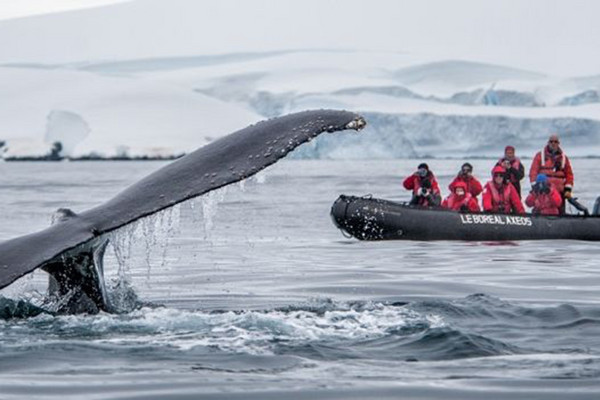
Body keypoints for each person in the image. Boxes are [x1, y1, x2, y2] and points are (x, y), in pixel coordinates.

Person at [529, 134, 574, 213]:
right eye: (551, 141)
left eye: (555, 142)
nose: (553, 143)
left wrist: (568, 189)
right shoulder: (540, 156)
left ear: (558, 143)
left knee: (560, 213)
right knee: (541, 210)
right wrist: (535, 187)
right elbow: (533, 171)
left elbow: (569, 174)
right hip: (544, 190)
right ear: (548, 142)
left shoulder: (563, 158)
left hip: (559, 191)